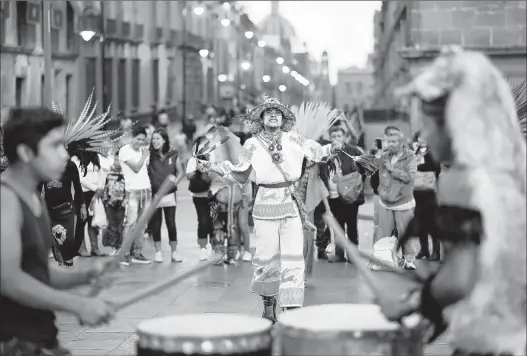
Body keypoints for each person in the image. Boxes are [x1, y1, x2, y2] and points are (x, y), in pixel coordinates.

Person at [379, 48, 526, 356]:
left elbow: (460, 279)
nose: (425, 136)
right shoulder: (512, 168)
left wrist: (410, 302)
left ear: (454, 121)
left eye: (429, 124)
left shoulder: (464, 178)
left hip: (487, 342)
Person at [201, 95, 342, 323]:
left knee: (294, 256)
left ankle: (292, 306)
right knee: (266, 256)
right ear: (262, 118)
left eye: (278, 112)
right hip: (265, 203)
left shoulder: (294, 139)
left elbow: (316, 151)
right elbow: (241, 173)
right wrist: (214, 167)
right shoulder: (252, 144)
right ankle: (269, 305)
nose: (274, 115)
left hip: (290, 202)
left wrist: (331, 150)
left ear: (284, 118)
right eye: (269, 113)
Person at [1, 107, 115, 356]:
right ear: (26, 152)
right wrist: (78, 304)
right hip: (12, 343)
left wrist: (85, 277)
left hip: (40, 339)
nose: (65, 155)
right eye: (54, 146)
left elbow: (36, 271)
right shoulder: (5, 200)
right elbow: (8, 280)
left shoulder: (34, 198)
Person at [375, 128, 418, 270]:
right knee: (383, 232)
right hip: (386, 201)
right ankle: (381, 260)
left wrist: (392, 169)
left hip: (403, 202)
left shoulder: (410, 156)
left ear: (401, 143)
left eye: (394, 141)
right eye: (389, 141)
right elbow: (373, 169)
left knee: (405, 231)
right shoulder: (384, 156)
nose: (391, 144)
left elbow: (410, 176)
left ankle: (409, 259)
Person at [326, 125, 366, 263]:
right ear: (329, 138)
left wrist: (356, 184)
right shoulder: (327, 152)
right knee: (338, 226)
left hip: (351, 196)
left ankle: (353, 255)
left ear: (344, 137)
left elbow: (365, 167)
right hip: (334, 197)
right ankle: (339, 254)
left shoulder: (353, 150)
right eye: (334, 136)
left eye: (339, 136)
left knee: (352, 225)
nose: (336, 138)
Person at [147, 128, 185, 263]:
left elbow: (180, 172)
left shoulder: (173, 154)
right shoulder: (149, 154)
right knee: (156, 224)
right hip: (155, 195)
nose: (155, 141)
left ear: (164, 140)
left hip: (170, 195)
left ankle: (174, 252)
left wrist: (174, 184)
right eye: (153, 139)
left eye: (158, 138)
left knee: (171, 223)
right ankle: (158, 252)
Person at [118, 126, 152, 265]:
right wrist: (144, 155)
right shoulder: (125, 151)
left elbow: (145, 170)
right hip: (132, 192)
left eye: (143, 140)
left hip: (146, 190)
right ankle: (124, 254)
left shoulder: (143, 151)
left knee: (142, 225)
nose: (140, 142)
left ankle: (137, 253)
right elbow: (136, 168)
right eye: (138, 139)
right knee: (130, 224)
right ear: (133, 137)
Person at [412, 131, 441, 261]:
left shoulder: (432, 151)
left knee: (432, 222)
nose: (422, 139)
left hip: (430, 191)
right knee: (420, 221)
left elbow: (435, 167)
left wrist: (419, 167)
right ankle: (424, 249)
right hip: (417, 191)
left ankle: (436, 251)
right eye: (420, 137)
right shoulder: (415, 151)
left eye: (424, 136)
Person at [186, 136, 214, 261]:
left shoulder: (214, 158)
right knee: (203, 221)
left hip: (214, 194)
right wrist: (199, 168)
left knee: (213, 222)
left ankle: (212, 245)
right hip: (199, 196)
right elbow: (188, 176)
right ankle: (202, 247)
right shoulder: (193, 160)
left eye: (207, 145)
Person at [72, 152, 105, 257]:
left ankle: (95, 248)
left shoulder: (96, 157)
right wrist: (95, 188)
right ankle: (81, 248)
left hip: (94, 194)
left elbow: (100, 174)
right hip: (82, 194)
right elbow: (79, 178)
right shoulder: (76, 159)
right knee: (82, 221)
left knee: (93, 221)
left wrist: (99, 189)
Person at [100, 154, 126, 255]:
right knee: (112, 226)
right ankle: (114, 247)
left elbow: (129, 188)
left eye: (119, 160)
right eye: (115, 159)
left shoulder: (126, 172)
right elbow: (104, 186)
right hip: (110, 203)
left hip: (121, 204)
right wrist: (105, 200)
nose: (117, 162)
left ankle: (120, 247)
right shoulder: (108, 172)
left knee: (121, 226)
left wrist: (126, 200)